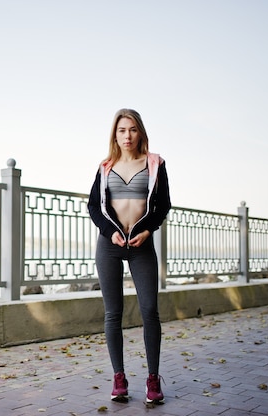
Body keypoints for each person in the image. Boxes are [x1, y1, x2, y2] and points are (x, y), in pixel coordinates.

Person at [87, 108, 171, 404]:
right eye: (122, 130)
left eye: (132, 129)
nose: (127, 136)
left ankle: (153, 380)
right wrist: (110, 232)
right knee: (113, 313)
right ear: (115, 134)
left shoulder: (155, 165)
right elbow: (94, 207)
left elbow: (162, 206)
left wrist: (147, 231)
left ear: (140, 132)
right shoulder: (105, 166)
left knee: (149, 310)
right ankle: (119, 378)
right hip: (110, 244)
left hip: (140, 245)